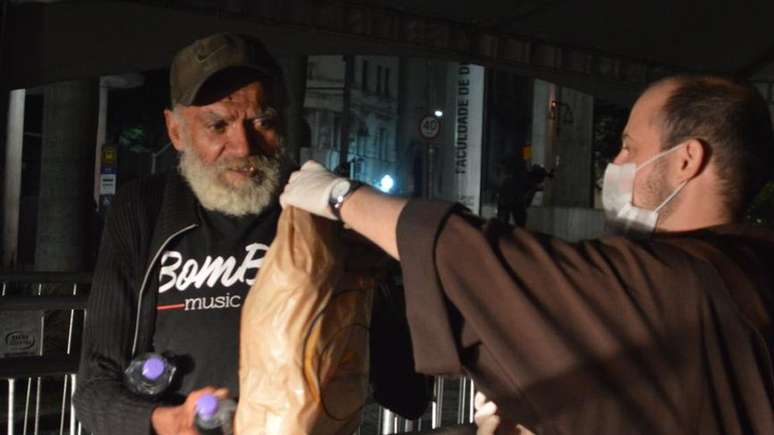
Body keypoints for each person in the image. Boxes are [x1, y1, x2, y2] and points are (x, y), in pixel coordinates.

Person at [281, 75, 774, 434]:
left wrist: (340, 196)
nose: (616, 164)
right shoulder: (749, 264)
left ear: (686, 160)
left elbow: (485, 262)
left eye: (629, 147)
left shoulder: (678, 281)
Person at [73, 33, 427, 435]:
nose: (243, 146)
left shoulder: (318, 214)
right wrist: (166, 421)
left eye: (263, 122)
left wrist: (377, 291)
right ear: (175, 131)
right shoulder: (143, 210)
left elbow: (408, 393)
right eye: (217, 125)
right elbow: (93, 390)